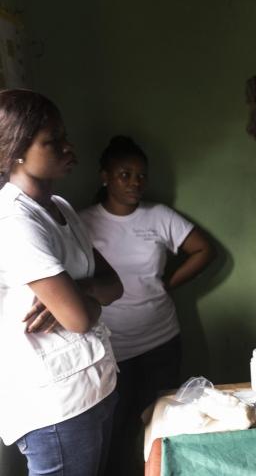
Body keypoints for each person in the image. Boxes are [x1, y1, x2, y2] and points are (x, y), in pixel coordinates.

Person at [0, 89, 123, 475]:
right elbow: (78, 320)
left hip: (93, 383)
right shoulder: (15, 222)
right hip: (56, 404)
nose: (68, 147)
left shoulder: (60, 207)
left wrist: (79, 289)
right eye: (52, 141)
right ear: (16, 150)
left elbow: (114, 283)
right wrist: (77, 300)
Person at [78, 135, 215, 474]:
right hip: (111, 345)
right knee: (116, 427)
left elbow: (203, 250)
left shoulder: (158, 216)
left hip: (160, 339)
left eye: (141, 175)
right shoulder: (82, 222)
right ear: (105, 176)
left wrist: (168, 283)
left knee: (162, 423)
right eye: (125, 174)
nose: (135, 183)